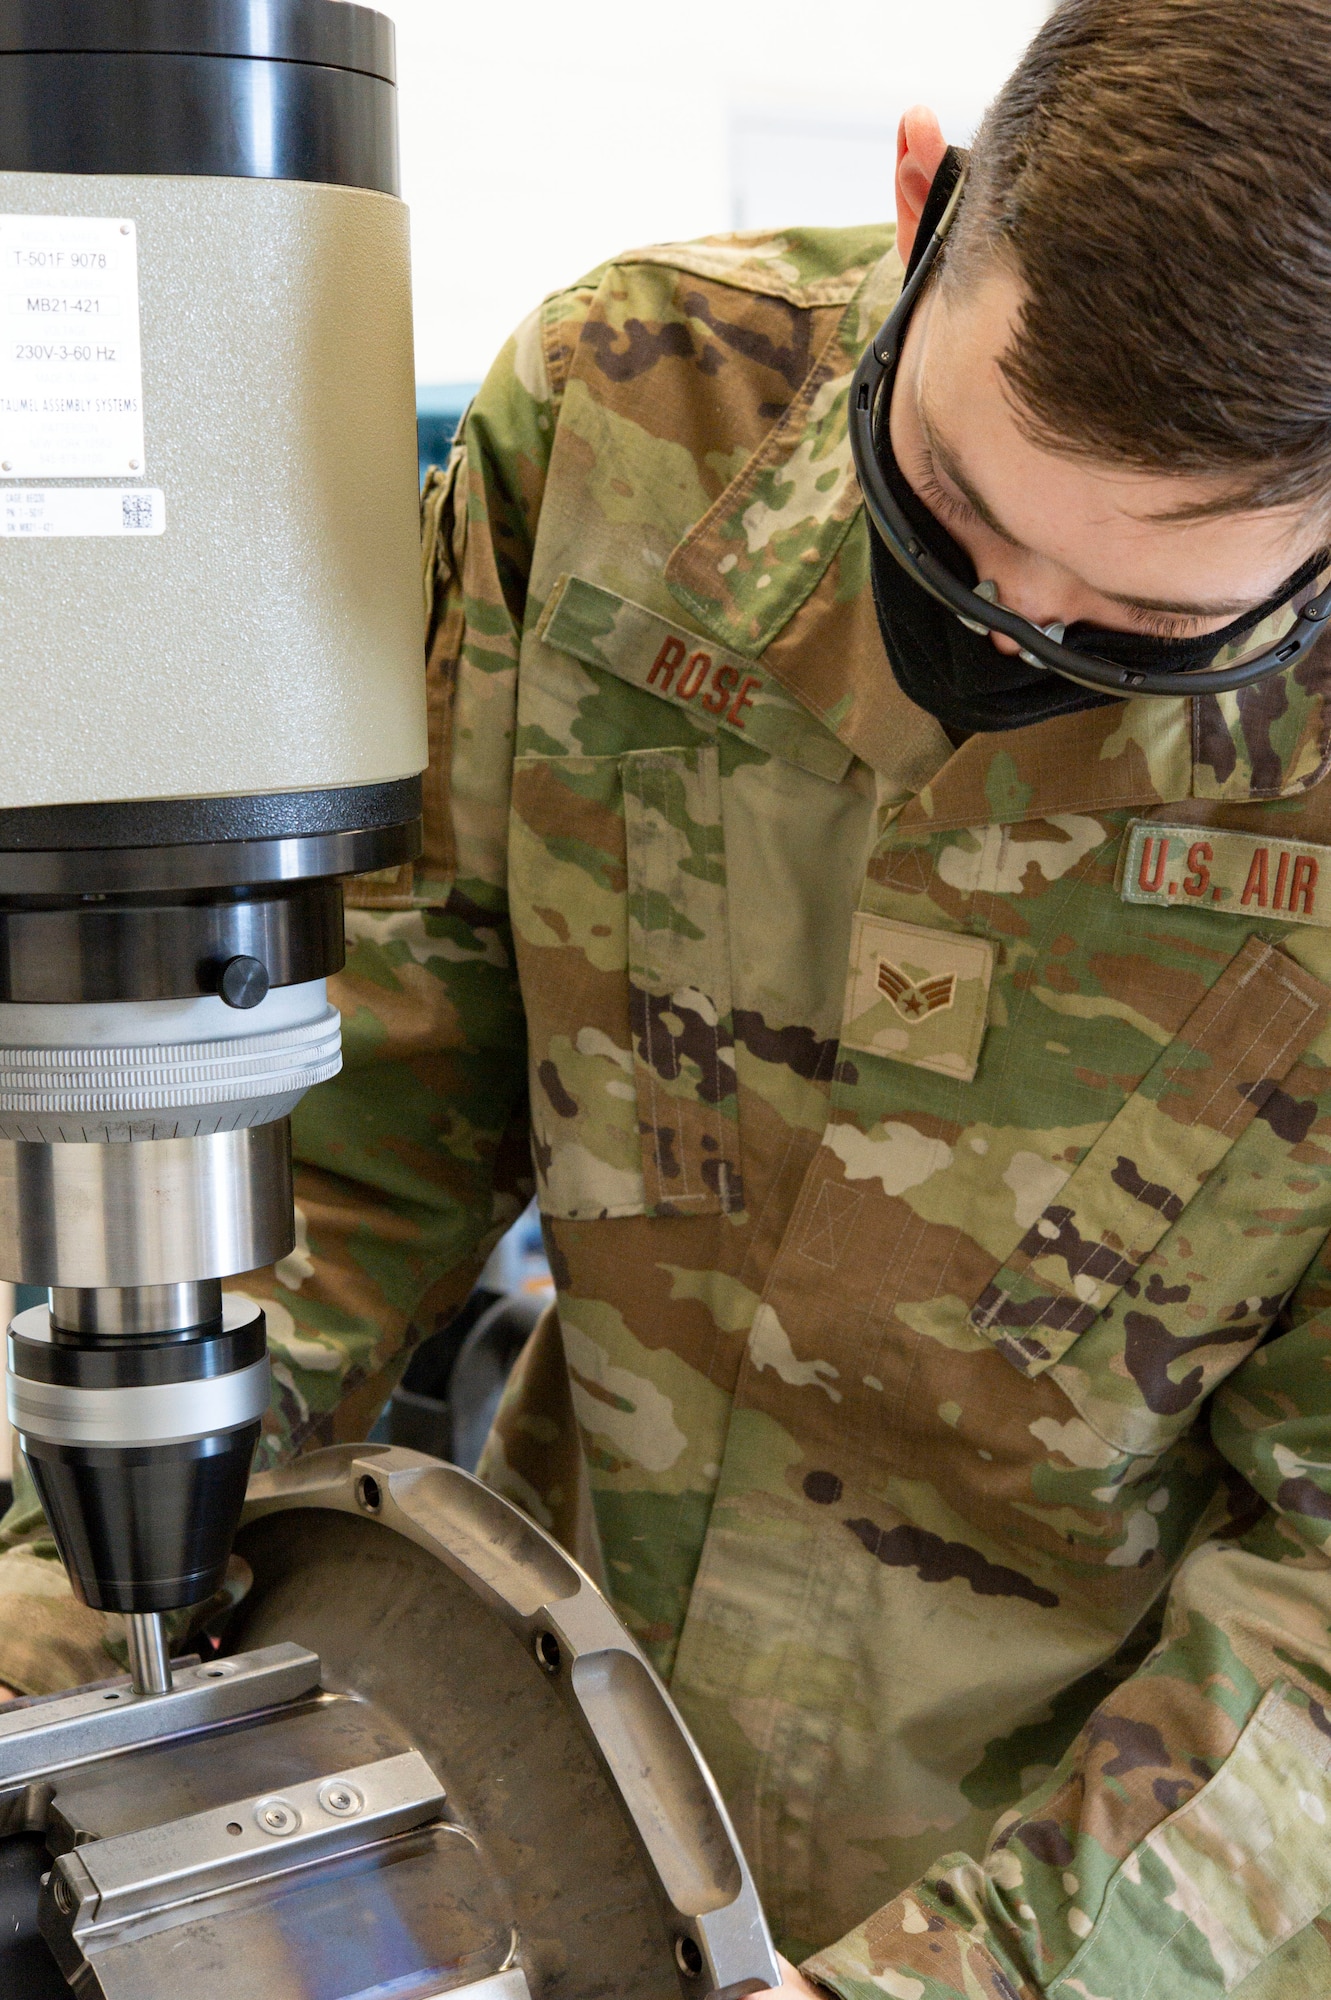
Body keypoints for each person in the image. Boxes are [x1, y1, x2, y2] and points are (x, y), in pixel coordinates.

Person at [9, 0, 1331, 1992]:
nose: (1003, 634)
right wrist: (59, 1614)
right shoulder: (624, 430)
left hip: (1094, 1897)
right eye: (951, 520)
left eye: (1144, 627)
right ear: (922, 209)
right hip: (517, 1778)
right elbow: (363, 1136)